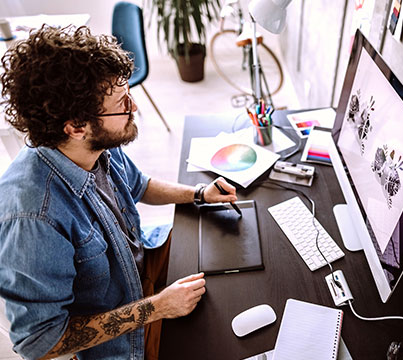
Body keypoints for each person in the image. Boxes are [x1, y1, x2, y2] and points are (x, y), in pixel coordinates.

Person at [0, 25, 237, 359]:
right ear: (76, 126)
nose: (134, 107)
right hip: (127, 340)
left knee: (235, 265)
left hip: (143, 268)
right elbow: (40, 342)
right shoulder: (33, 218)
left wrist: (199, 193)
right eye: (122, 102)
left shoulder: (93, 145)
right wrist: (158, 307)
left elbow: (139, 185)